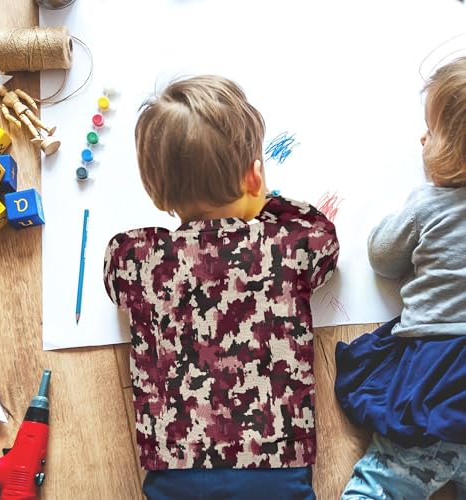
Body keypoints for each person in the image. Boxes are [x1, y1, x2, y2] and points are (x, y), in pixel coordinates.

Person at [103, 75, 339, 499]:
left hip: (176, 463)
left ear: (157, 194)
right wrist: (266, 204)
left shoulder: (139, 258)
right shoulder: (286, 244)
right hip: (277, 460)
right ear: (254, 177)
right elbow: (325, 240)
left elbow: (114, 276)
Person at [335, 57, 466, 499]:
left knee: (387, 479)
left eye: (432, 132)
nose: (422, 139)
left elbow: (382, 258)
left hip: (433, 386)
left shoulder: (430, 204)